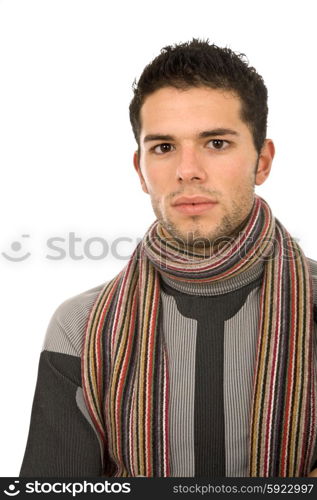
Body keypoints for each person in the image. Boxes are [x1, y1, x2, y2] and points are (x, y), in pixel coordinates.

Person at [20, 38, 317, 478]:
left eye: (216, 143)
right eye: (163, 147)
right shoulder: (80, 327)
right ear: (141, 169)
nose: (187, 169)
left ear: (262, 162)